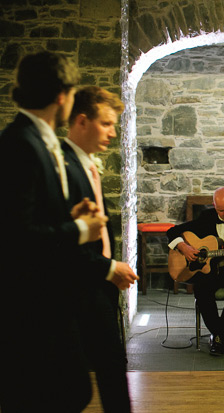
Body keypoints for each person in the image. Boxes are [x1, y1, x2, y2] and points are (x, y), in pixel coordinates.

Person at [0, 51, 108, 412]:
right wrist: (79, 227)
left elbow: (34, 215)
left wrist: (71, 213)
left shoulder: (38, 140)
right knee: (60, 393)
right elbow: (16, 237)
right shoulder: (20, 144)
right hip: (32, 303)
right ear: (62, 95)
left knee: (71, 391)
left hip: (49, 299)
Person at [63, 86, 139, 412]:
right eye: (106, 123)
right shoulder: (64, 169)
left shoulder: (88, 165)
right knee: (86, 374)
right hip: (78, 288)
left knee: (111, 366)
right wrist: (108, 268)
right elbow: (62, 244)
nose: (113, 132)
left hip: (98, 282)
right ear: (82, 121)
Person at [167, 186, 224, 356]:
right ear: (213, 205)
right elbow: (172, 231)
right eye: (221, 210)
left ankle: (218, 335)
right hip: (210, 271)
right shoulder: (206, 218)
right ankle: (221, 336)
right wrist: (184, 247)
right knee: (201, 289)